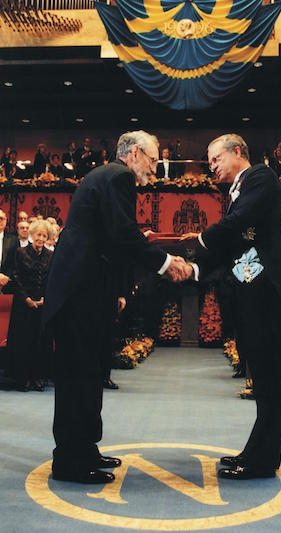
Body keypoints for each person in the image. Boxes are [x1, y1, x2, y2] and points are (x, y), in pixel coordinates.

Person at [43, 130, 190, 485]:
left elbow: (113, 241)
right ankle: (70, 462)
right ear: (135, 153)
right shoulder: (119, 176)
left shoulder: (106, 176)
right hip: (80, 293)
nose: (154, 171)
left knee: (91, 372)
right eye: (154, 161)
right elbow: (124, 234)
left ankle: (85, 449)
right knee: (79, 376)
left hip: (87, 291)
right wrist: (166, 261)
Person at [182, 133, 281, 480]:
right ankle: (257, 453)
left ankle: (262, 461)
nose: (212, 167)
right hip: (252, 298)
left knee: (270, 383)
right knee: (262, 381)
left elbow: (235, 226)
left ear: (237, 152)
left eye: (215, 159)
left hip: (266, 299)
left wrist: (197, 241)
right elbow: (232, 248)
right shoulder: (237, 192)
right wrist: (194, 268)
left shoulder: (261, 177)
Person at [6, 220, 53, 391]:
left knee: (38, 343)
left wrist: (44, 299)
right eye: (38, 235)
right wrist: (26, 299)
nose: (41, 238)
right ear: (32, 235)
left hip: (41, 305)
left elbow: (51, 280)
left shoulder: (50, 255)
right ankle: (22, 378)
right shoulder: (20, 252)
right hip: (23, 305)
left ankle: (36, 377)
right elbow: (16, 278)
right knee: (22, 342)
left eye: (44, 235)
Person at [0, 209, 19, 293]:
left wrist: (7, 277)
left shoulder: (13, 240)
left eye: (2, 218)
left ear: (6, 220)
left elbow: (16, 262)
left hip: (7, 285)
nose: (0, 221)